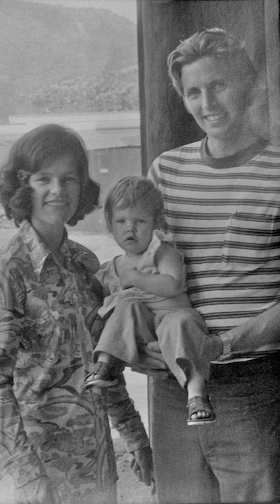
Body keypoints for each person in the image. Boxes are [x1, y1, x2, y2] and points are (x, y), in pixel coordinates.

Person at [0, 124, 153, 504]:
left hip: (94, 466)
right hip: (35, 471)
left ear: (81, 188)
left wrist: (135, 437)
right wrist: (27, 478)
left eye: (69, 178)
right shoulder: (9, 269)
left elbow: (104, 365)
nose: (58, 190)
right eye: (44, 179)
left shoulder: (87, 265)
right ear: (24, 188)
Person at [145, 28, 280, 503]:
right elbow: (147, 269)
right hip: (172, 387)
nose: (208, 103)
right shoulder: (165, 172)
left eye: (218, 85)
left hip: (251, 385)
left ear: (248, 83)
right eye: (194, 92)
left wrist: (222, 345)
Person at [83, 176, 215, 426]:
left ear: (156, 223)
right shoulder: (113, 267)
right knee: (124, 306)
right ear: (110, 225)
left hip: (170, 317)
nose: (130, 228)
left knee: (183, 324)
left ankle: (197, 394)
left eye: (140, 221)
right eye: (121, 221)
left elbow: (174, 284)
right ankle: (105, 365)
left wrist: (136, 278)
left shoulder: (161, 251)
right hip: (144, 331)